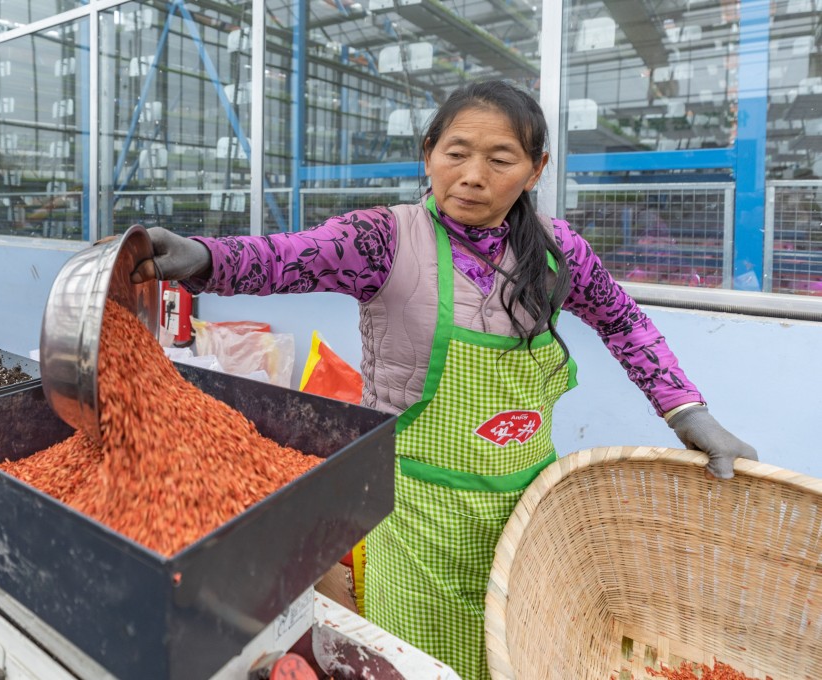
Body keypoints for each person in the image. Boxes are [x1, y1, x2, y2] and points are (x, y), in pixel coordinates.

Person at [129, 80, 757, 680]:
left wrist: (689, 414)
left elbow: (625, 322)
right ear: (428, 154)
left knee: (517, 655)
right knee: (416, 664)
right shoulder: (384, 239)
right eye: (456, 153)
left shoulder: (557, 252)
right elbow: (286, 258)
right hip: (414, 515)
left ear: (536, 170)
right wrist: (206, 260)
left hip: (527, 512)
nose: (474, 176)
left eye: (500, 160)